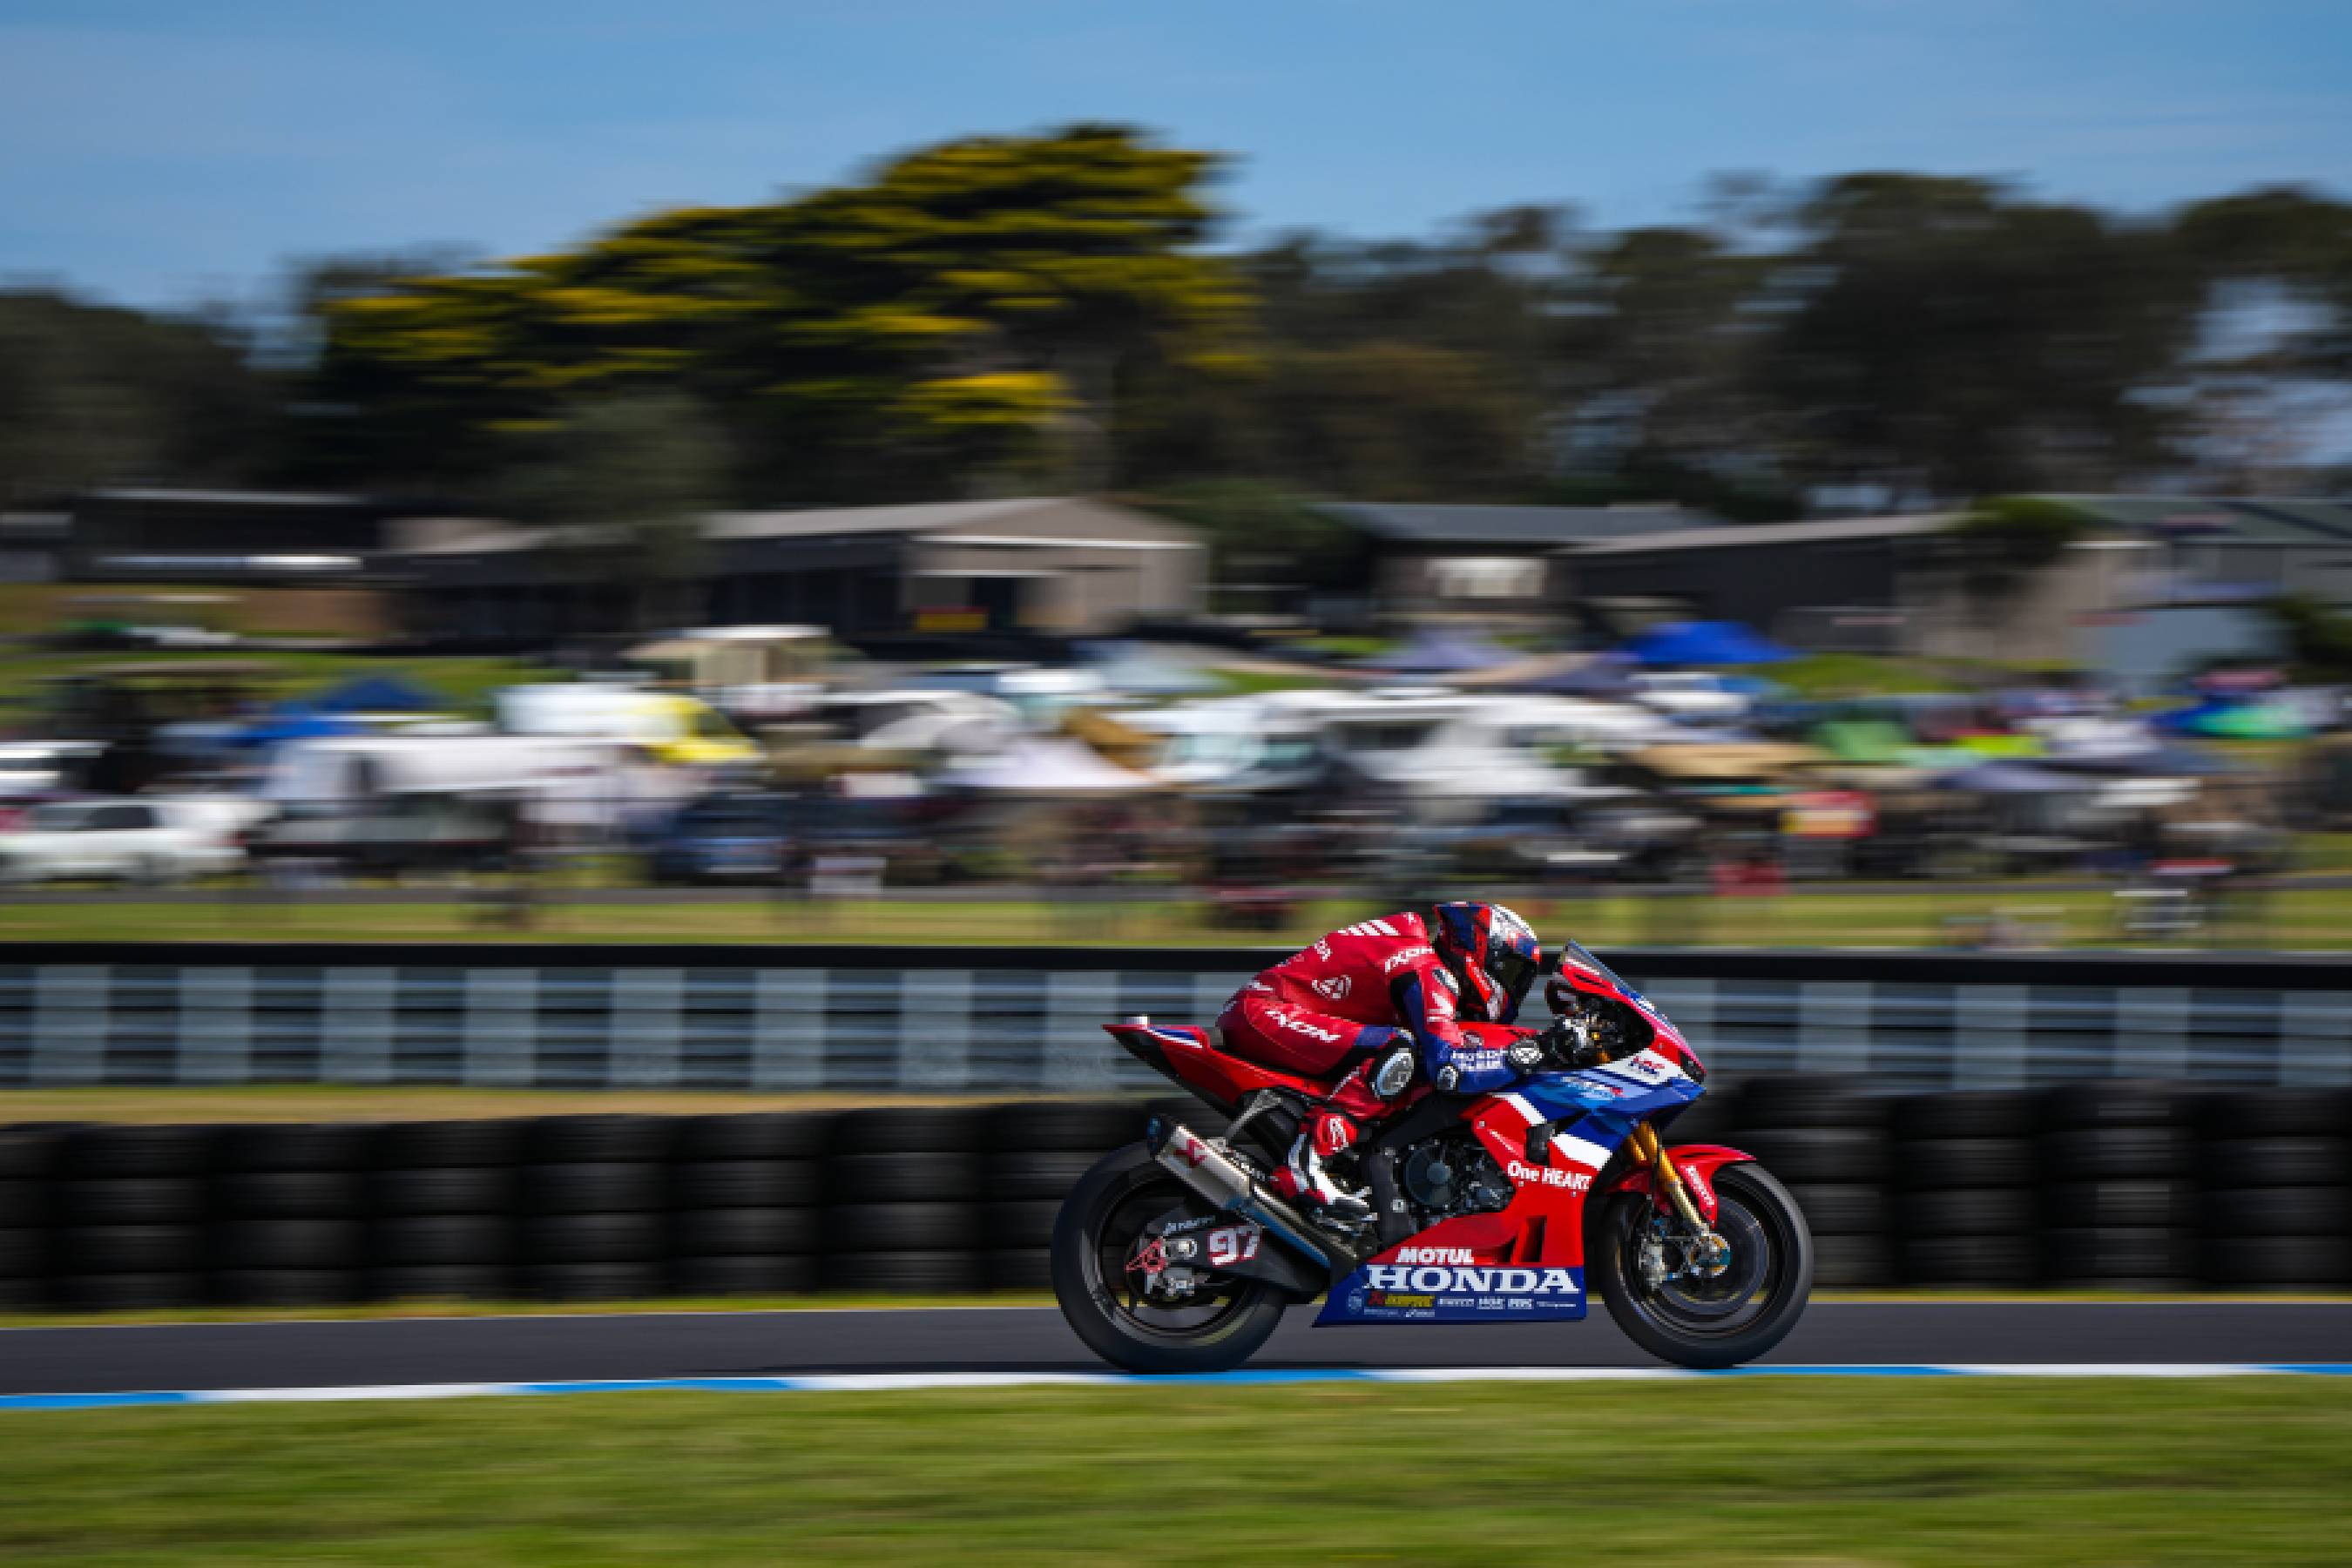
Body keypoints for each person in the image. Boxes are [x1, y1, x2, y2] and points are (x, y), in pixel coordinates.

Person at [1215, 902, 1545, 1221]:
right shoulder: (1426, 968)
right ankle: (1305, 1165)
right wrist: (1528, 1056)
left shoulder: (1420, 958)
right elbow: (1450, 1069)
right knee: (1401, 1047)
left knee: (1403, 1059)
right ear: (1483, 950)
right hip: (1263, 1013)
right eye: (1512, 972)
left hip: (1271, 1013)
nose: (1513, 987)